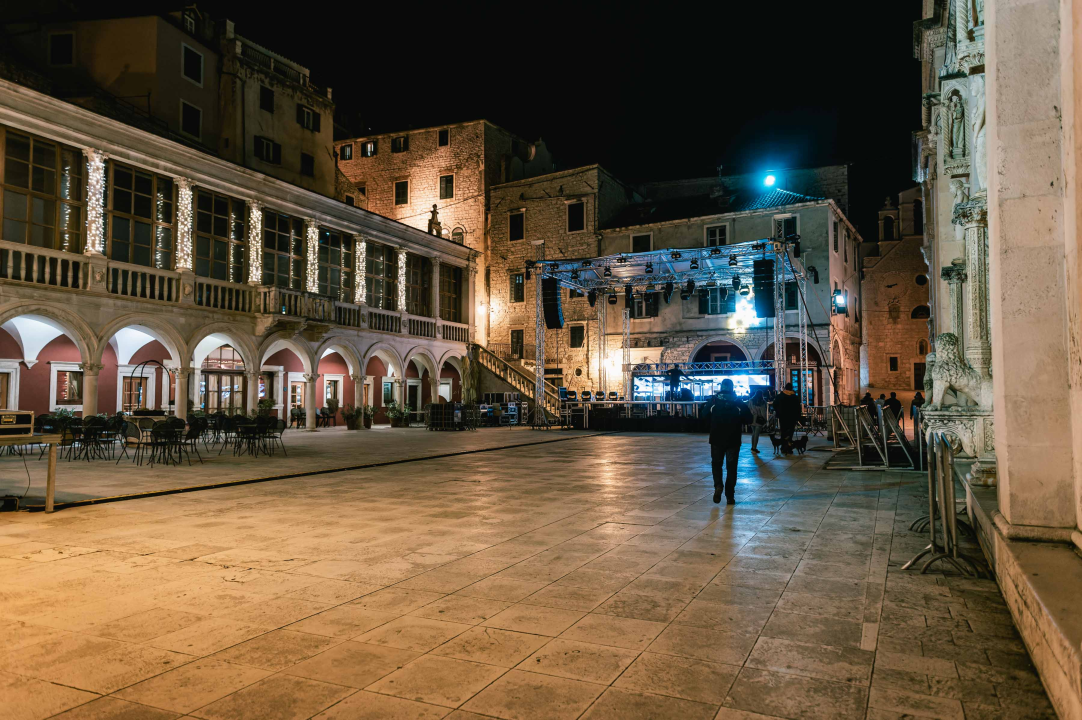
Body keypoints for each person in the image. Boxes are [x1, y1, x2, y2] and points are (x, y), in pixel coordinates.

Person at [709, 378, 753, 505]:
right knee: (731, 467)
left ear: (721, 387)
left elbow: (703, 415)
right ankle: (730, 496)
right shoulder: (738, 402)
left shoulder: (713, 401)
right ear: (732, 388)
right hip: (733, 439)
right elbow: (749, 419)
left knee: (716, 464)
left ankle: (718, 486)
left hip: (716, 438)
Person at [773, 382, 801, 455]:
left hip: (783, 417)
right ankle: (789, 447)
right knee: (790, 433)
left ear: (785, 388)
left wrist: (778, 412)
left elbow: (774, 405)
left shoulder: (780, 396)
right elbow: (798, 408)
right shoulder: (795, 397)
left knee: (783, 432)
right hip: (792, 417)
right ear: (791, 388)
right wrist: (798, 417)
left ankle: (783, 447)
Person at [748, 390, 769, 454]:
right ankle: (754, 448)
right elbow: (763, 412)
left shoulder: (751, 400)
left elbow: (748, 408)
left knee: (753, 433)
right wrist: (765, 420)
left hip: (752, 419)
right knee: (756, 434)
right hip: (758, 419)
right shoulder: (762, 402)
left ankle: (752, 447)